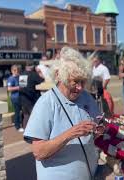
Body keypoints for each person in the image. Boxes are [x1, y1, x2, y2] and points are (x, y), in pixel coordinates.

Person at [23, 47, 101, 180]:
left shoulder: (86, 97)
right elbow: (39, 152)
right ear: (61, 77)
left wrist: (100, 130)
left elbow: (98, 127)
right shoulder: (46, 103)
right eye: (75, 81)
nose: (80, 87)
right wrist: (72, 133)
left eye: (83, 81)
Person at [19, 61, 44, 129]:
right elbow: (42, 80)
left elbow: (22, 87)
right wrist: (39, 72)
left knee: (26, 115)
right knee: (34, 116)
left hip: (23, 98)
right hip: (32, 99)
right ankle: (33, 132)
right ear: (32, 66)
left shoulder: (22, 74)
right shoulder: (33, 74)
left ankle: (26, 131)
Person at [7, 64, 23, 132]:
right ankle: (17, 126)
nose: (16, 71)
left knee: (22, 112)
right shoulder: (11, 78)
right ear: (12, 71)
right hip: (15, 98)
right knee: (17, 112)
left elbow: (23, 85)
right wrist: (18, 87)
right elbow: (9, 89)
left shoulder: (20, 77)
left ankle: (22, 124)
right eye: (14, 70)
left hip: (21, 97)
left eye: (17, 70)